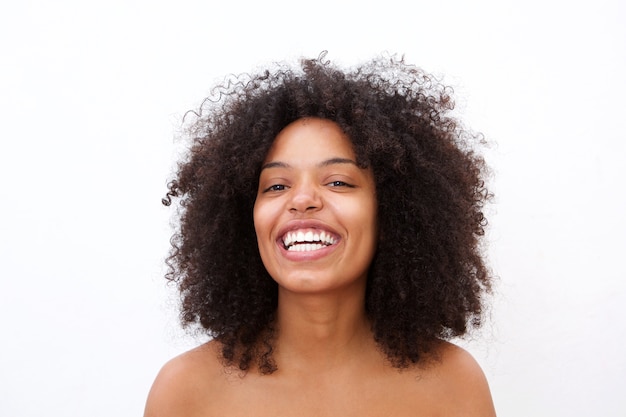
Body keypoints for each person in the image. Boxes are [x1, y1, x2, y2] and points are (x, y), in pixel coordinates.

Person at [144, 52, 496, 416]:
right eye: (276, 186)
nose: (302, 200)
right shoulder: (187, 392)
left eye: (339, 182)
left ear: (393, 210)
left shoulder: (453, 386)